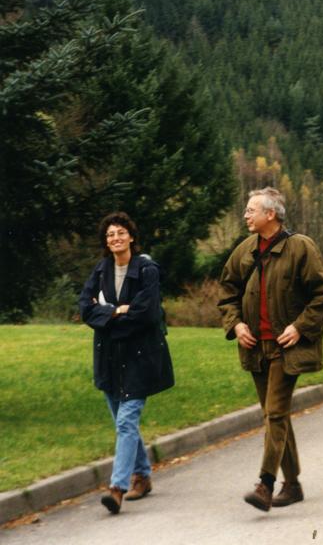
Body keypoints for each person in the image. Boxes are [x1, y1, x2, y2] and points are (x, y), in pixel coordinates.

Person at [218, 187, 323, 512]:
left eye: (251, 210)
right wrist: (236, 324)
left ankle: (266, 483)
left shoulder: (300, 247)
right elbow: (227, 291)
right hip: (256, 349)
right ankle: (293, 484)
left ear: (271, 214)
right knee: (275, 417)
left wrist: (299, 327)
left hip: (287, 349)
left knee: (275, 413)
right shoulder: (244, 250)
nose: (245, 215)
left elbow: (322, 294)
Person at [79, 211, 174, 514]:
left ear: (131, 236)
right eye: (110, 235)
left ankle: (117, 488)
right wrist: (116, 313)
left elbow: (146, 314)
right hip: (109, 358)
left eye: (120, 233)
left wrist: (106, 316)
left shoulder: (146, 269)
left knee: (125, 421)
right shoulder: (101, 270)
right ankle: (143, 476)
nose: (115, 238)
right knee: (122, 419)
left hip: (139, 357)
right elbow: (85, 308)